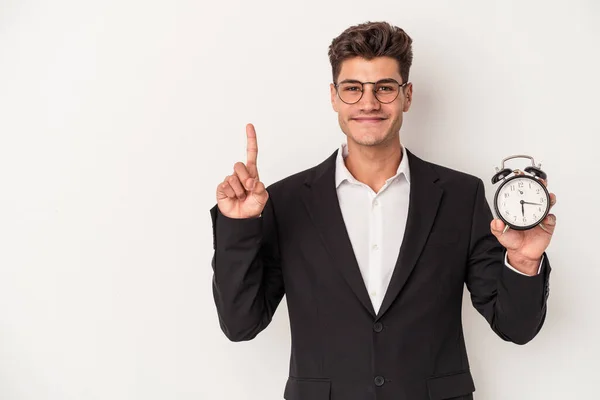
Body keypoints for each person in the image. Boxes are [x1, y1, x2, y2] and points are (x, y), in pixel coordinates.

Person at [209, 21, 557, 400]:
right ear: (334, 97)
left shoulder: (461, 196)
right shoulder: (287, 200)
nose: (369, 103)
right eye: (353, 88)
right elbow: (240, 324)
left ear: (407, 96)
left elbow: (516, 328)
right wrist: (239, 226)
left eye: (385, 88)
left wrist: (523, 262)